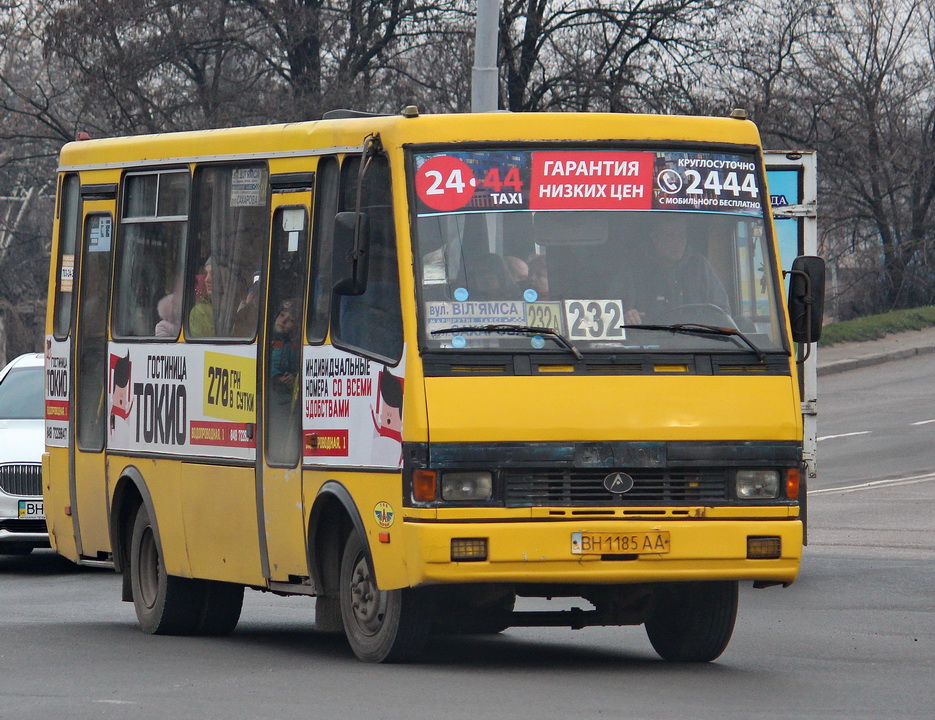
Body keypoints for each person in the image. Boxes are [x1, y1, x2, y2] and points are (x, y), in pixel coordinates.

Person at [624, 215, 729, 325]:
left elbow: (722, 313)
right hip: (646, 339)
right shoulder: (634, 268)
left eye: (681, 236)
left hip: (695, 339)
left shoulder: (700, 266)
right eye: (670, 236)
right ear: (654, 237)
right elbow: (614, 311)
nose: (678, 242)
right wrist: (628, 315)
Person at [269, 299, 299, 402]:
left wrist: (295, 378)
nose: (283, 321)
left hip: (290, 397)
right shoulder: (265, 340)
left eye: (290, 320)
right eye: (282, 315)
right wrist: (276, 376)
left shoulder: (298, 346)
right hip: (268, 392)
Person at [188, 256, 214, 337]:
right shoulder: (199, 312)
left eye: (213, 274)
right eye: (206, 274)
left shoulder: (237, 308)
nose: (207, 279)